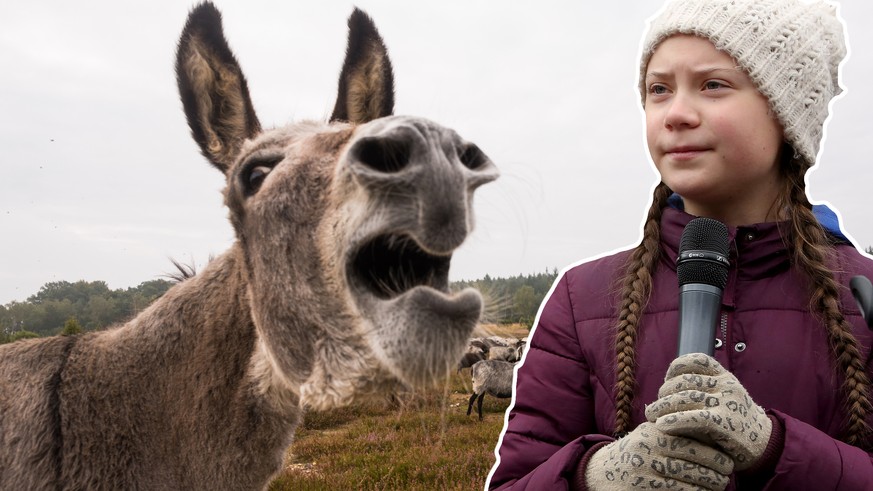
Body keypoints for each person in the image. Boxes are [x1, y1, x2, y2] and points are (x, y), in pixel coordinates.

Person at [487, 0, 873, 489]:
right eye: (658, 90)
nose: (676, 114)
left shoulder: (865, 295)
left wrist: (775, 449)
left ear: (787, 111)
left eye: (713, 85)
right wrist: (593, 476)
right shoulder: (579, 299)